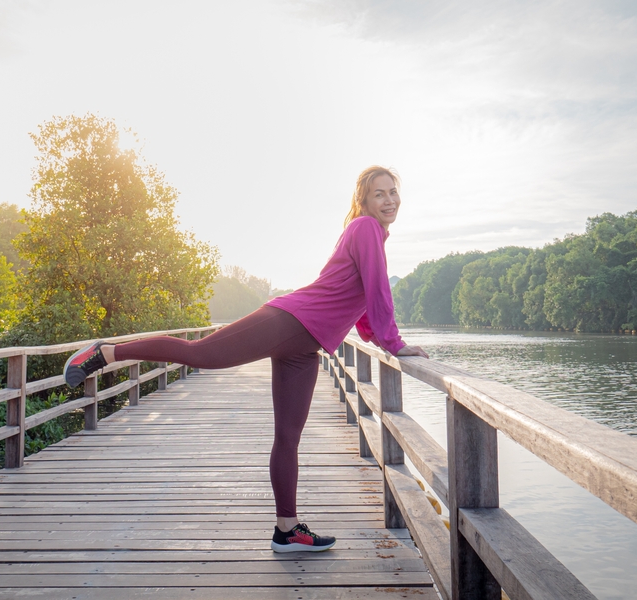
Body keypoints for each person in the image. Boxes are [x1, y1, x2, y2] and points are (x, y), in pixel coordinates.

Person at [63, 165, 429, 553]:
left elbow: (360, 301)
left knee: (288, 439)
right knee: (199, 354)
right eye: (380, 193)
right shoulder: (365, 229)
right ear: (364, 200)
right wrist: (393, 343)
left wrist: (379, 337)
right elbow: (376, 291)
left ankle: (287, 530)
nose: (389, 200)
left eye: (393, 192)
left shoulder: (372, 235)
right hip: (292, 320)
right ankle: (106, 352)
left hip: (306, 346)